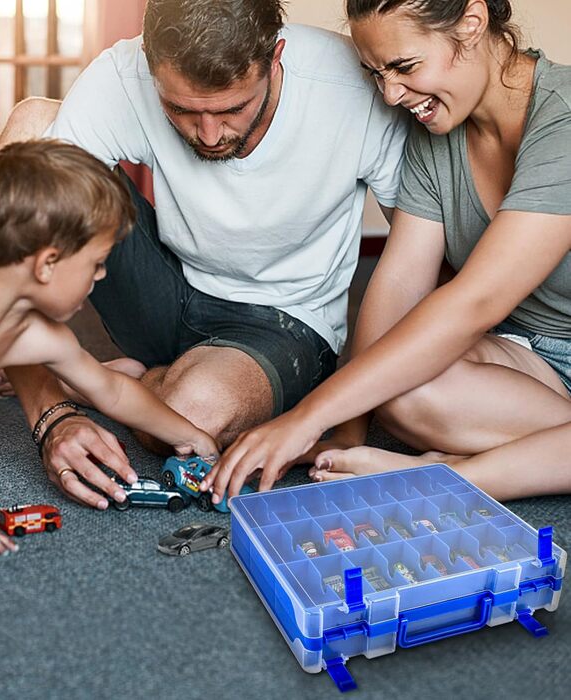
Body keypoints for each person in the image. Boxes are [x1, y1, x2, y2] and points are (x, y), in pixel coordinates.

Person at [0, 0, 409, 509]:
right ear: (149, 62)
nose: (208, 135)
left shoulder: (351, 88)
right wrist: (49, 414)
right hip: (167, 281)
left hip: (283, 318)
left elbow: (409, 264)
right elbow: (10, 245)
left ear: (276, 58)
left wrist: (347, 427)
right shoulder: (124, 73)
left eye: (232, 109)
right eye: (182, 110)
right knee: (32, 131)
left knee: (187, 419)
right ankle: (102, 383)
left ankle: (112, 379)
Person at [204, 0, 571, 503]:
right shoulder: (436, 130)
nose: (392, 94)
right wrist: (346, 431)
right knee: (399, 382)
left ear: (472, 22)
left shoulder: (564, 117)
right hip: (533, 358)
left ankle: (449, 478)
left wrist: (305, 417)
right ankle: (532, 459)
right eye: (376, 73)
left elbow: (474, 304)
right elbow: (396, 287)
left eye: (404, 66)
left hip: (513, 340)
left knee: (406, 363)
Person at [0, 140, 218, 561]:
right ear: (47, 264)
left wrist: (191, 436)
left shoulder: (34, 335)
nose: (103, 274)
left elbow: (113, 390)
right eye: (96, 263)